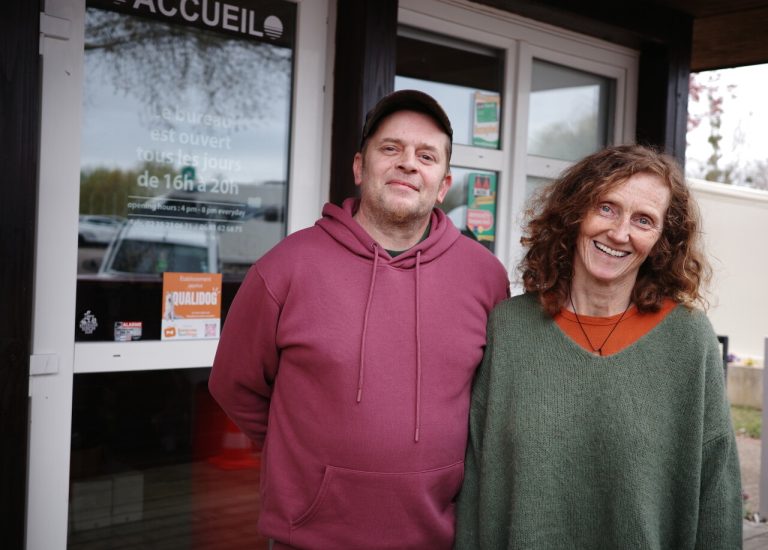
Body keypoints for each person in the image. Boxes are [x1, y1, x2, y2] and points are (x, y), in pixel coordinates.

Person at [209, 90, 509, 549]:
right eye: (390, 148)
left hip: (438, 537)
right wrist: (309, 460)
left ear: (443, 185)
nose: (408, 163)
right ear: (358, 167)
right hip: (309, 540)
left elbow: (487, 405)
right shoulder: (286, 266)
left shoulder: (485, 277)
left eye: (425, 155)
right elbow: (235, 384)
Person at [455, 144, 742, 549]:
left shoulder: (688, 340)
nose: (620, 232)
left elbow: (718, 495)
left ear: (661, 240)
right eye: (607, 207)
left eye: (643, 220)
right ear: (575, 212)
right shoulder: (509, 330)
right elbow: (477, 482)